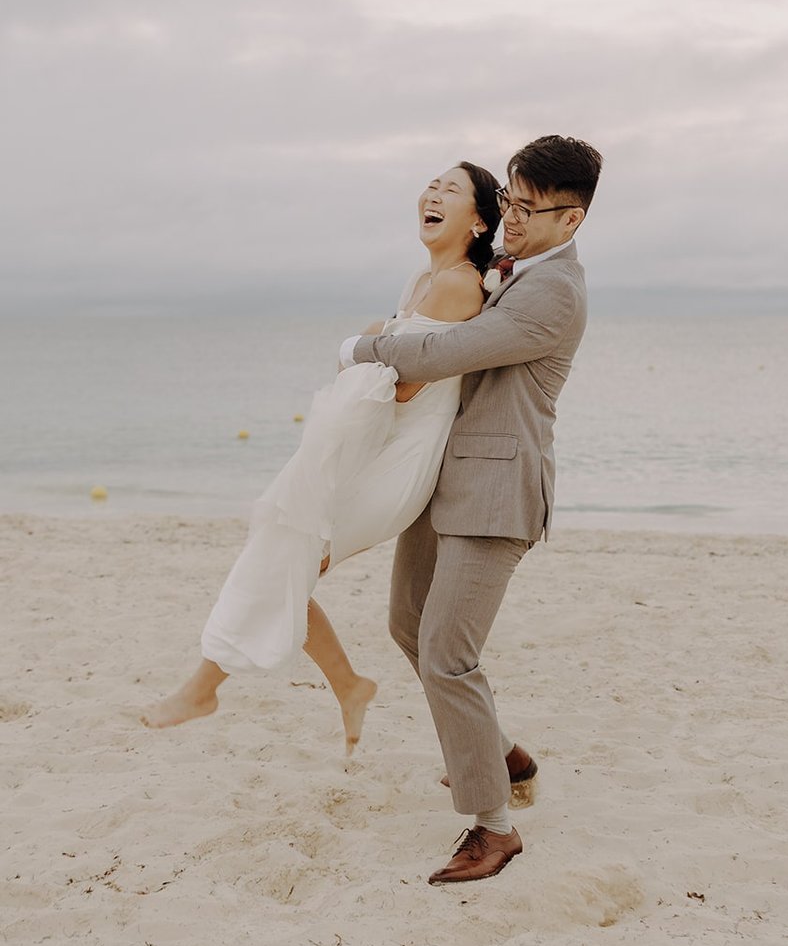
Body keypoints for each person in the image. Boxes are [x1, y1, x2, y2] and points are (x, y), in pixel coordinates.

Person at [141, 162, 503, 749]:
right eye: (432, 185)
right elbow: (391, 364)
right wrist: (372, 346)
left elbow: (408, 382)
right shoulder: (421, 282)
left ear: (479, 220)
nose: (433, 194)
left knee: (286, 547)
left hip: (400, 459)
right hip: (372, 446)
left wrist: (361, 347)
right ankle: (347, 686)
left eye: (451, 191)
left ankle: (204, 689)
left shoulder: (459, 284)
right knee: (285, 550)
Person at [342, 134, 602, 884]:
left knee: (449, 655)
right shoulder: (507, 269)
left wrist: (357, 348)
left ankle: (493, 826)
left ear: (572, 219)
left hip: (496, 491)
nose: (511, 216)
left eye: (528, 207)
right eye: (510, 199)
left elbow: (444, 353)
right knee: (406, 625)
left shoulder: (555, 292)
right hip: (443, 480)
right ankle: (502, 753)